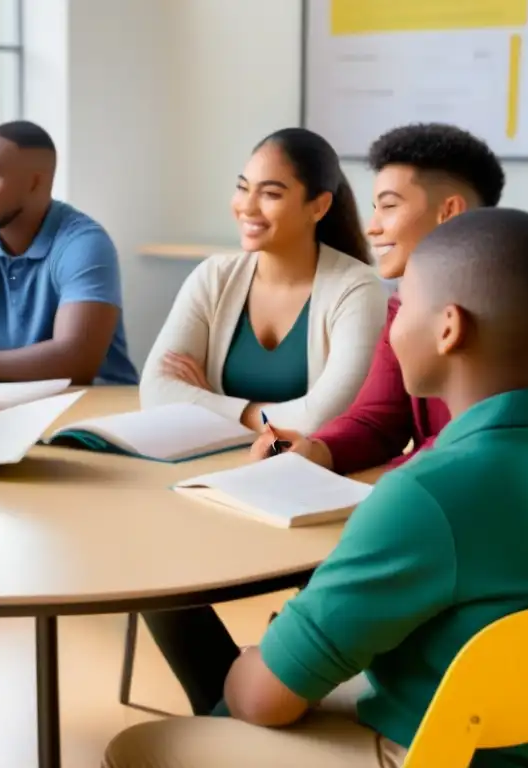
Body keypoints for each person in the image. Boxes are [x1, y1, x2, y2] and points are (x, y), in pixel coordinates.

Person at [106, 207, 528, 768]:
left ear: (448, 328)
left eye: (399, 305)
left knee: (147, 745)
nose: (392, 324)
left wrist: (272, 646)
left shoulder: (425, 495)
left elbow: (263, 701)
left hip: (428, 750)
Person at [137, 127, 388, 716]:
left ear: (318, 205)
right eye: (243, 187)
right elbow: (158, 390)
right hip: (216, 485)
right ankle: (221, 712)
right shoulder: (214, 277)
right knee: (153, 572)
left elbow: (328, 414)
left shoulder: (356, 287)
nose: (247, 206)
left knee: (317, 595)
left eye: (271, 193)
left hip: (312, 499)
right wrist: (260, 419)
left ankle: (251, 705)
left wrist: (220, 406)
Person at [251, 122, 528, 472]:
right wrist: (316, 451)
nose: (371, 226)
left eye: (389, 206)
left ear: (450, 211)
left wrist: (400, 480)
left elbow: (514, 454)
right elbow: (378, 420)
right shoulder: (404, 309)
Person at [0, 120, 138, 386]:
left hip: (96, 400)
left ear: (35, 183)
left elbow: (78, 364)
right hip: (6, 400)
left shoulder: (85, 244)